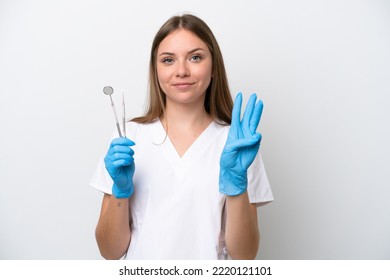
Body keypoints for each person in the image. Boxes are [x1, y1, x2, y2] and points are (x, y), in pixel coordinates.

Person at [90, 13, 273, 260]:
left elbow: (245, 256)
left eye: (195, 57)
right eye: (168, 60)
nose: (182, 71)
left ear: (213, 67)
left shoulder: (237, 143)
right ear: (155, 70)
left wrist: (236, 187)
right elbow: (110, 251)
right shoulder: (129, 137)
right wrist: (120, 191)